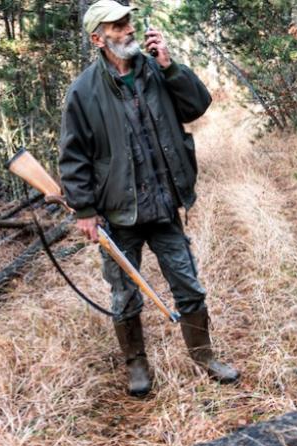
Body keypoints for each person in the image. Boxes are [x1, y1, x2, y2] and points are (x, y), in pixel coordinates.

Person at [58, 0, 238, 397]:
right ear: (97, 38)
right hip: (118, 215)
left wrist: (171, 67)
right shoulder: (83, 92)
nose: (128, 29)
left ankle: (204, 357)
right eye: (118, 25)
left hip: (163, 206)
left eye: (128, 21)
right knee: (124, 296)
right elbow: (74, 158)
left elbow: (198, 106)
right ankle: (136, 366)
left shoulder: (157, 70)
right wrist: (85, 210)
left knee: (188, 285)